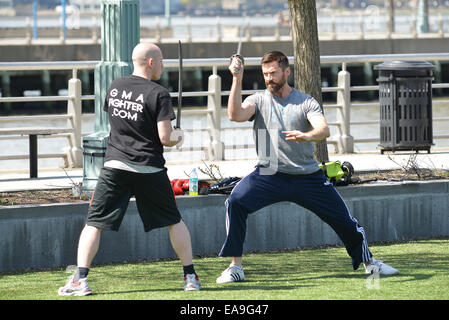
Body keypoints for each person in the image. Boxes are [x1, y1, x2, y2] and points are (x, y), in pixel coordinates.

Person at [216, 50, 398, 284]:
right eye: (265, 74)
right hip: (269, 172)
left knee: (345, 221)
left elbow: (324, 129)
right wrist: (236, 78)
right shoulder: (258, 99)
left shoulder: (305, 101)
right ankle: (235, 267)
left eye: (273, 73)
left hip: (307, 176)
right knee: (235, 202)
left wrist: (306, 136)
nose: (269, 78)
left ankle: (370, 264)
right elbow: (235, 115)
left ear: (287, 71)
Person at [58, 43, 201, 296]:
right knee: (173, 220)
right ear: (150, 62)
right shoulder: (159, 93)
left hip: (115, 165)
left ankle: (81, 279)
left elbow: (117, 123)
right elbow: (165, 137)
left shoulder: (114, 86)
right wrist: (179, 136)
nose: (163, 65)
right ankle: (190, 276)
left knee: (94, 223)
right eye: (161, 61)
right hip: (149, 168)